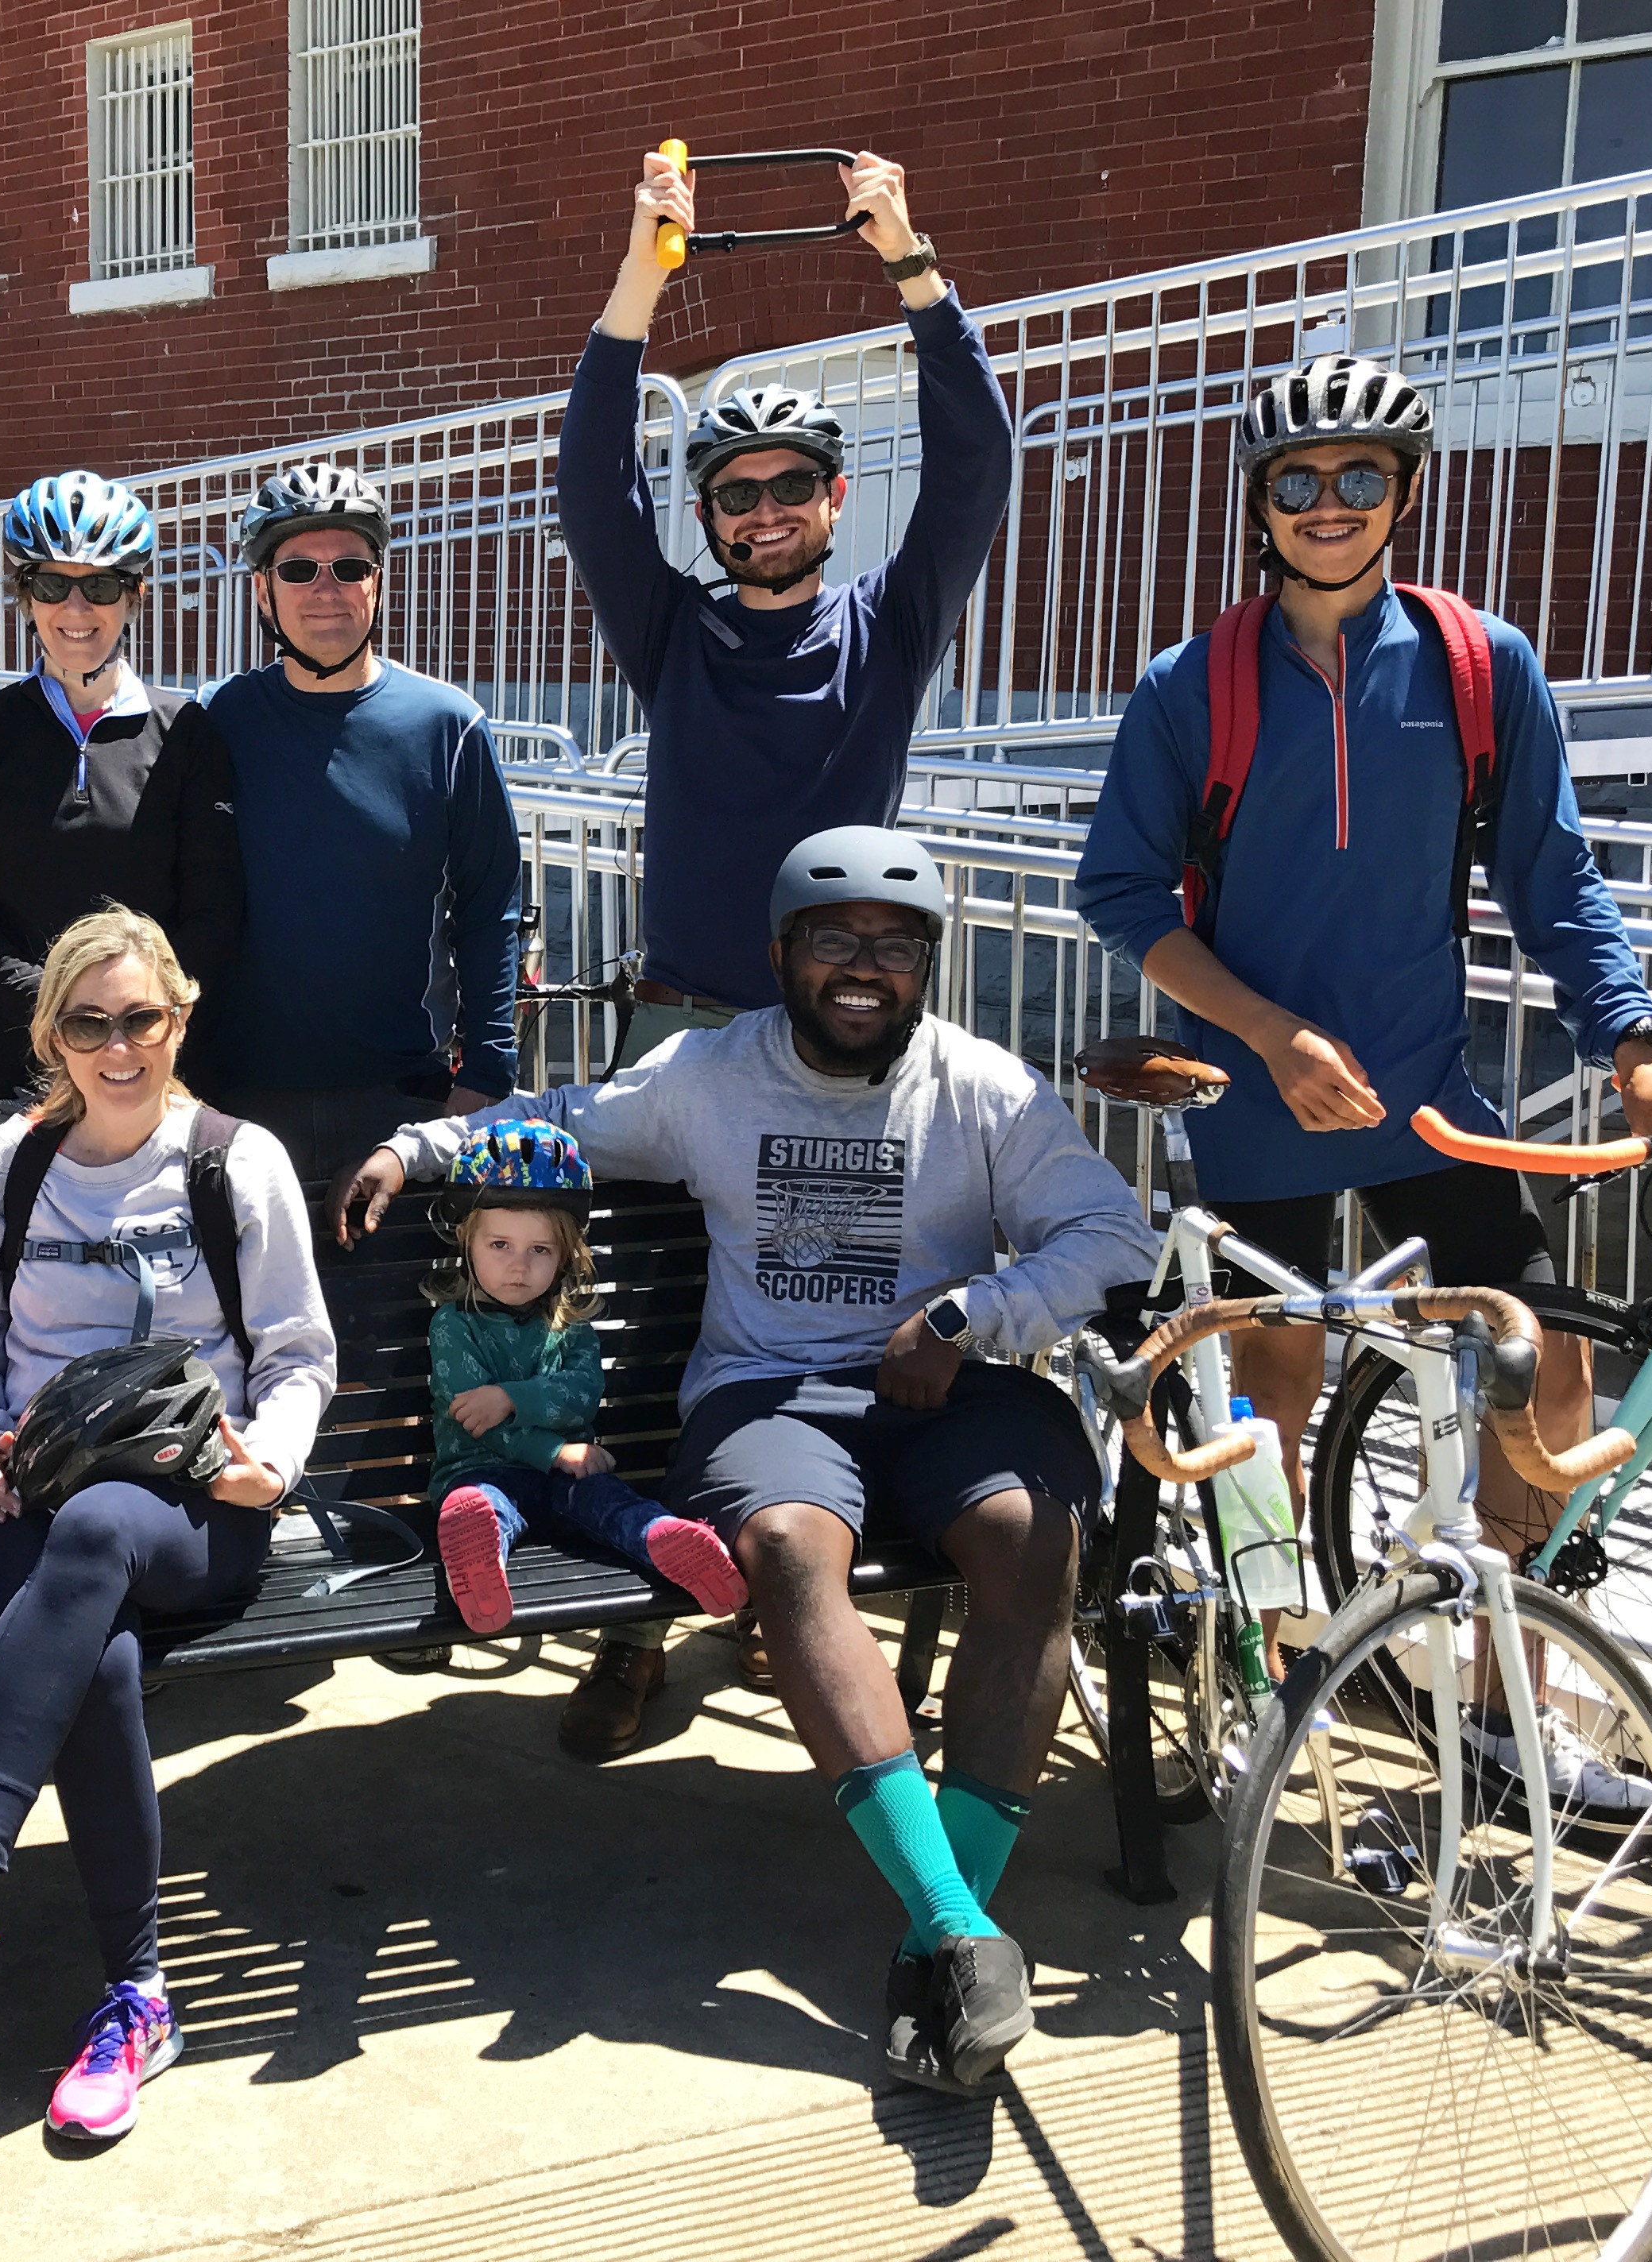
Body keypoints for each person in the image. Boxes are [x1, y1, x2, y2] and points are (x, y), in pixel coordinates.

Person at [335, 827, 1155, 2097]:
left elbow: (1106, 1230)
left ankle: (947, 1924)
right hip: (769, 1394)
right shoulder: (709, 1076)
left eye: (896, 945)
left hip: (946, 1384)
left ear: (928, 964)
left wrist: (968, 1317)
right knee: (782, 1548)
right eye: (836, 942)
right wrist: (416, 1149)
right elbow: (560, 1123)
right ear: (783, 955)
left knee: (1027, 1538)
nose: (865, 969)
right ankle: (955, 1928)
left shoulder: (986, 1088)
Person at [1073, 353, 1652, 1773]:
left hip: (1426, 1086)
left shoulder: (1475, 665)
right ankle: (1268, 1672)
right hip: (1255, 1095)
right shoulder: (1190, 686)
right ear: (1261, 503)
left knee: (1543, 1359)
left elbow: (1551, 873)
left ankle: (1504, 1698)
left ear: (1406, 491)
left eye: (1360, 476)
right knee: (1273, 1387)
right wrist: (1268, 1030)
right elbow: (1125, 897)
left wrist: (1633, 1041)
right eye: (1299, 480)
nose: (1330, 503)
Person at [552, 145, 1016, 1754]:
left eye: (787, 489)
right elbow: (589, 475)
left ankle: (807, 1596)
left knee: (830, 1338)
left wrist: (906, 255)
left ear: (831, 504)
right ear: (712, 521)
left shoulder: (885, 632)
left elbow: (974, 465)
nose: (759, 510)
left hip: (840, 1062)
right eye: (732, 493)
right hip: (688, 1042)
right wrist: (644, 269)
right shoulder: (670, 633)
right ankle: (630, 1619)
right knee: (637, 1346)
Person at [0, 905, 336, 2143]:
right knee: (98, 1651)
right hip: (37, 1497)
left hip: (198, 1509)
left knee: (104, 1539)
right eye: (90, 1024)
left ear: (180, 1018)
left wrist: (267, 1467)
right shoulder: (10, 1163)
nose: (119, 1048)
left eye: (143, 1020)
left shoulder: (238, 1159)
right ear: (52, 1035)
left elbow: (295, 1356)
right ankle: (138, 1997)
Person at [197, 464, 524, 1181]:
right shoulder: (215, 720)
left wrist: (490, 1072)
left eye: (349, 566)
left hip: (404, 1101)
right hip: (240, 1098)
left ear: (378, 583)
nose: (326, 588)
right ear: (262, 590)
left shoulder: (449, 725)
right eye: (298, 569)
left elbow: (490, 907)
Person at [0, 468, 243, 1150]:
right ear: (25, 596)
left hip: (147, 1065)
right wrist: (65, 1014)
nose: (75, 607)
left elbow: (214, 909)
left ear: (134, 595)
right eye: (50, 585)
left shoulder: (185, 731)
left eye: (99, 586)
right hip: (5, 1065)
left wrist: (128, 1023)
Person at [424, 1119, 745, 1634]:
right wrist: (550, 1448)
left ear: (565, 1253)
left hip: (565, 1477)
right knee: (483, 1503)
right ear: (467, 1240)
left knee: (607, 1499)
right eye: (500, 1245)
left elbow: (581, 1396)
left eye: (541, 1250)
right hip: (481, 1471)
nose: (519, 1266)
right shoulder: (454, 1326)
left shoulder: (570, 1324)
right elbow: (473, 1422)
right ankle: (476, 1552)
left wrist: (510, 1397)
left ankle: (665, 1537)